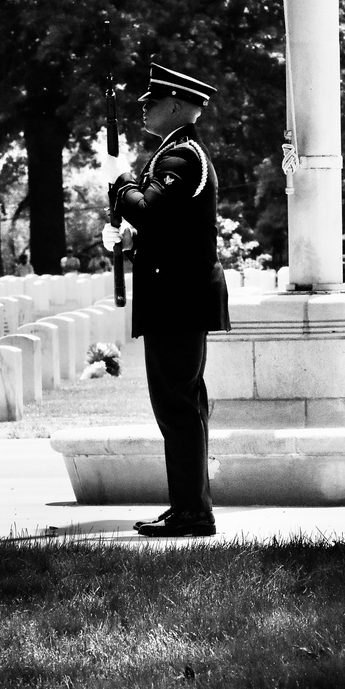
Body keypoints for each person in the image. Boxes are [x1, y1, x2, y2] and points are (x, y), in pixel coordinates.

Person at [101, 63, 231, 538]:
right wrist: (131, 242)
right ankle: (188, 506)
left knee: (176, 404)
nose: (143, 108)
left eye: (151, 102)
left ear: (176, 106)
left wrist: (119, 181)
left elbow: (148, 211)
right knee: (180, 404)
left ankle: (194, 512)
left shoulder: (182, 158)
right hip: (176, 295)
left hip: (179, 299)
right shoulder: (172, 155)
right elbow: (167, 229)